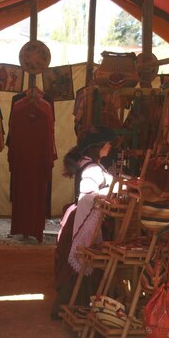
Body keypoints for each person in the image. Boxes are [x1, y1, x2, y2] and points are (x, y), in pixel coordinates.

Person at [51, 126, 116, 319]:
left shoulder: (89, 163)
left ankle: (78, 306)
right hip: (87, 219)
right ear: (99, 147)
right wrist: (111, 193)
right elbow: (89, 193)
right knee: (83, 261)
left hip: (86, 216)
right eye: (107, 144)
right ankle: (68, 307)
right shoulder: (93, 168)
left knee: (84, 263)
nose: (110, 147)